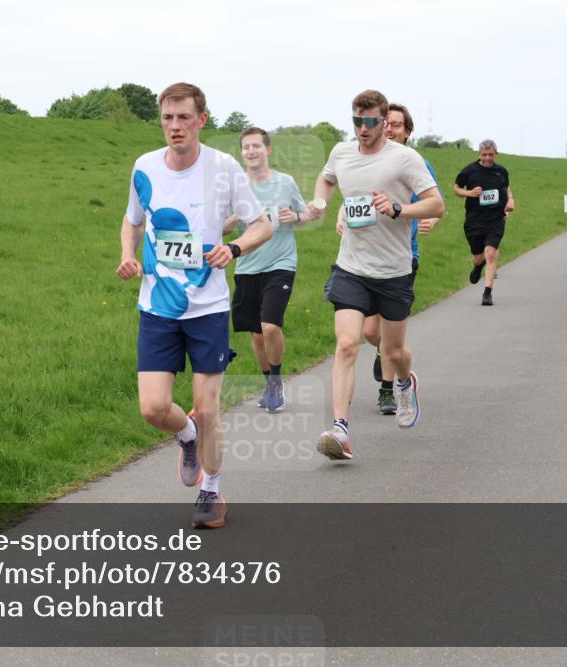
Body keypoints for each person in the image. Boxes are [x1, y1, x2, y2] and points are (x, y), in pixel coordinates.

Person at [117, 82, 272, 529]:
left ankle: (212, 493)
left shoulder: (223, 169)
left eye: (184, 117)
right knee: (152, 409)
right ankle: (185, 436)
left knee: (208, 409)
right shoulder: (144, 167)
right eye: (167, 117)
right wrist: (128, 256)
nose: (175, 126)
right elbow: (132, 221)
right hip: (157, 307)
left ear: (201, 120)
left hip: (207, 308)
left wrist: (235, 249)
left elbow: (260, 225)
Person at [307, 89, 444, 460]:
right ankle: (340, 430)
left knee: (392, 349)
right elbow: (328, 179)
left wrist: (398, 208)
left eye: (370, 122)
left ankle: (403, 381)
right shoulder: (342, 152)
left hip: (394, 269)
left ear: (385, 122)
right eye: (357, 121)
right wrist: (321, 203)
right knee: (348, 343)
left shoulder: (404, 159)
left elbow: (437, 205)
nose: (363, 129)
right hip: (351, 266)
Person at [352, 103, 441, 415]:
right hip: (364, 258)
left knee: (389, 339)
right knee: (369, 333)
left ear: (407, 132)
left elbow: (434, 203)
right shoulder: (362, 160)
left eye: (397, 125)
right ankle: (386, 353)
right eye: (386, 123)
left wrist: (431, 221)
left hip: (402, 257)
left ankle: (388, 389)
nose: (390, 129)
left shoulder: (416, 162)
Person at [225, 127, 309, 413]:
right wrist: (236, 216)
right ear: (242, 153)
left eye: (256, 146)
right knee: (256, 333)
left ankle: (276, 379)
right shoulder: (236, 188)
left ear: (268, 150)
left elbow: (306, 214)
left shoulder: (286, 183)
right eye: (246, 147)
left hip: (281, 263)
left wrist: (295, 216)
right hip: (247, 265)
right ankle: (268, 383)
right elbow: (220, 227)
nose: (251, 151)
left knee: (270, 325)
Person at [454, 140, 515, 305]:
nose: (487, 158)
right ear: (479, 154)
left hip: (496, 219)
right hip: (474, 221)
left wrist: (510, 200)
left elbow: (507, 188)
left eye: (490, 154)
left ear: (496, 153)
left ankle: (487, 293)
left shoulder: (501, 171)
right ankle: (477, 267)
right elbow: (456, 189)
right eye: (484, 155)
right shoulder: (469, 170)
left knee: (490, 253)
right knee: (478, 257)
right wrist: (470, 193)